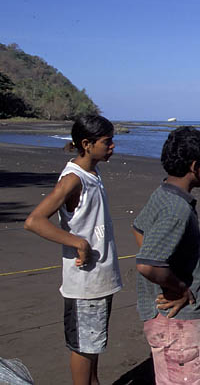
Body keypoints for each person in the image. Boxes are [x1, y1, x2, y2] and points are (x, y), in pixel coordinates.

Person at [24, 115, 122, 385]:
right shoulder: (73, 179)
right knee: (83, 346)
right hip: (84, 283)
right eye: (107, 142)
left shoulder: (92, 173)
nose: (113, 146)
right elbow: (34, 221)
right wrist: (78, 242)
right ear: (87, 144)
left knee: (94, 344)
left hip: (99, 279)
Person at [131, 126, 200, 384]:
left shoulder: (164, 192)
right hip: (175, 322)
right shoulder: (176, 210)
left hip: (163, 319)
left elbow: (139, 228)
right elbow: (147, 264)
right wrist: (178, 288)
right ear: (194, 166)